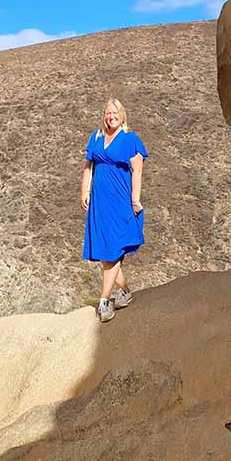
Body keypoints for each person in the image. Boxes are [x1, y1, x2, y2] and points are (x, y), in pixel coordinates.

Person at [80, 97, 147, 323]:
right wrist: (85, 191)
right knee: (104, 255)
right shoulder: (96, 137)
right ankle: (126, 292)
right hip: (99, 203)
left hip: (120, 203)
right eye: (108, 113)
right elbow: (88, 167)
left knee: (113, 251)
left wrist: (135, 200)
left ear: (122, 115)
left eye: (115, 113)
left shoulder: (131, 139)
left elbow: (137, 172)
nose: (111, 116)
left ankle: (104, 301)